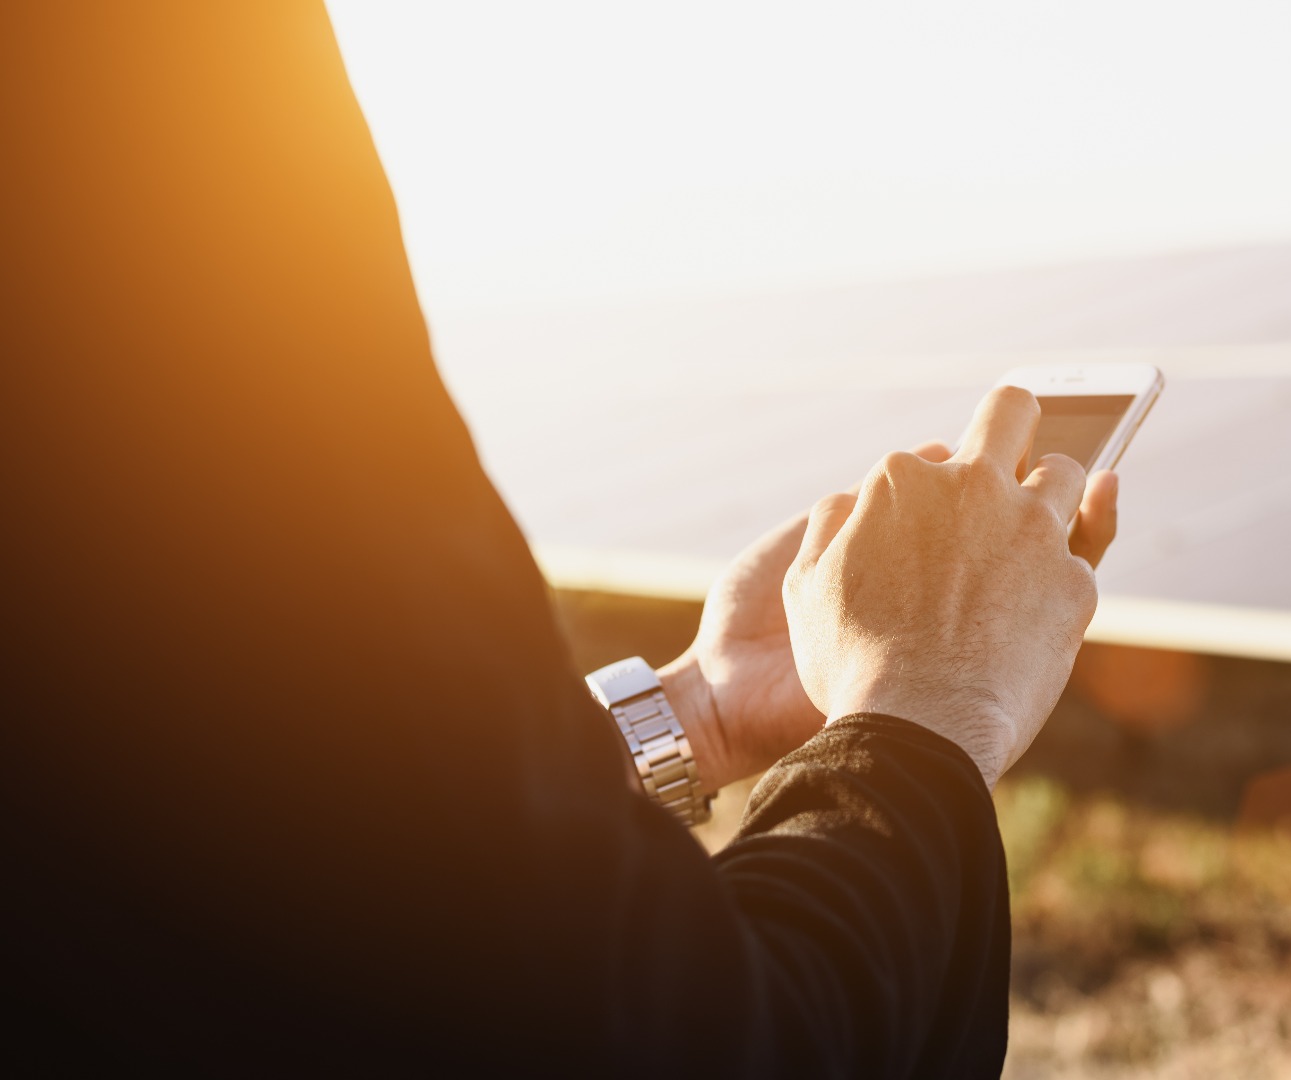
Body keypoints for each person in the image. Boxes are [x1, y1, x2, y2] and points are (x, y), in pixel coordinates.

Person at [1, 5, 1120, 1075]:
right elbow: (633, 1042)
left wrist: (694, 710)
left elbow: (295, 840)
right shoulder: (147, 84)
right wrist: (921, 722)